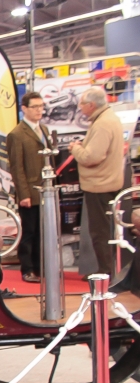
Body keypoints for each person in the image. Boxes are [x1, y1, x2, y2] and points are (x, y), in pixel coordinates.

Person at [69, 86, 125, 277]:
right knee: (103, 231)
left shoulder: (103, 124)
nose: (80, 107)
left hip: (100, 185)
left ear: (91, 105)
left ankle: (105, 274)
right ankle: (106, 270)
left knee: (99, 232)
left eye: (82, 104)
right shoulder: (108, 119)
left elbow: (91, 157)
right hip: (106, 182)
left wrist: (75, 148)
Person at [5, 92, 53, 283]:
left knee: (42, 231)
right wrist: (23, 194)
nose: (39, 110)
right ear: (24, 108)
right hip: (29, 193)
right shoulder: (17, 134)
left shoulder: (44, 129)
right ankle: (27, 269)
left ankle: (41, 267)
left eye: (41, 106)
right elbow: (17, 168)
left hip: (46, 191)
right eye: (35, 107)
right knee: (29, 232)